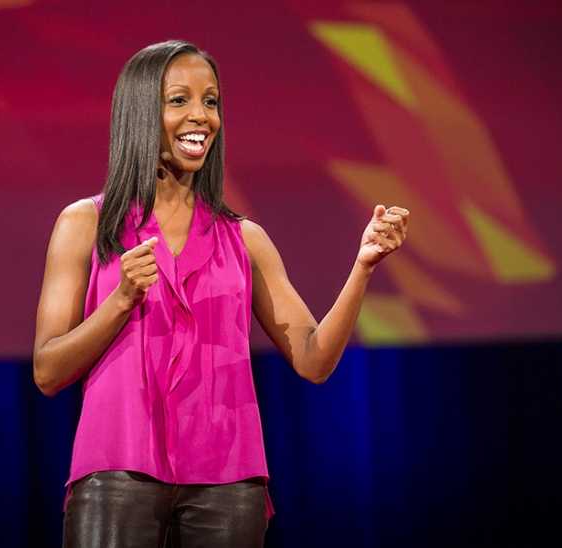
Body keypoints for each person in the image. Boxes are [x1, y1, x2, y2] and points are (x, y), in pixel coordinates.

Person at [32, 40, 409, 548]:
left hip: (228, 483)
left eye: (210, 102)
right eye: (179, 100)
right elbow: (48, 371)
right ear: (141, 111)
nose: (201, 117)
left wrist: (363, 266)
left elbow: (314, 360)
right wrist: (119, 300)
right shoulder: (86, 224)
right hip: (116, 473)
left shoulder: (243, 239)